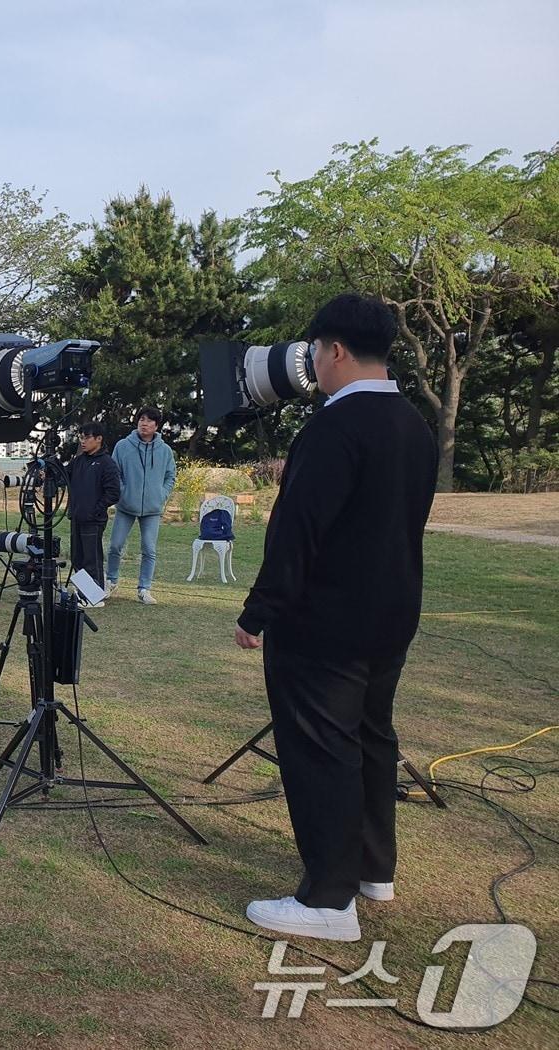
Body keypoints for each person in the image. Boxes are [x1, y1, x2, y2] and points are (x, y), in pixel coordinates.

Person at [235, 293, 437, 942]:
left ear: (336, 351)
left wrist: (258, 612)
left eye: (317, 351)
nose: (314, 363)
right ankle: (374, 870)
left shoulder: (334, 427)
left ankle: (328, 899)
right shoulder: (414, 423)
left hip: (324, 624)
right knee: (372, 740)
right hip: (391, 616)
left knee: (321, 749)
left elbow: (298, 532)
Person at [106, 406, 177, 604]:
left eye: (148, 420)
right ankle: (111, 580)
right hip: (126, 506)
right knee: (115, 545)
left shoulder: (165, 450)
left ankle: (144, 588)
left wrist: (162, 494)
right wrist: (122, 492)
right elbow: (114, 472)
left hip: (153, 508)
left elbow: (171, 475)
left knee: (149, 549)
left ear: (156, 425)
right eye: (141, 419)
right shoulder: (123, 446)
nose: (144, 423)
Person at [65, 421, 120, 604]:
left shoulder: (107, 463)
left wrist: (96, 509)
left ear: (98, 439)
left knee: (91, 558)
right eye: (81, 437)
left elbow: (113, 493)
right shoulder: (78, 461)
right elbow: (63, 476)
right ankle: (84, 593)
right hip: (77, 517)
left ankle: (95, 595)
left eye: (87, 437)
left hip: (93, 520)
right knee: (77, 557)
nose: (83, 441)